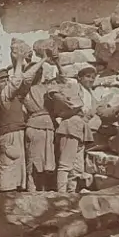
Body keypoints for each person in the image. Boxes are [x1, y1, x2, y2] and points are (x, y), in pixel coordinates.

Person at [53, 64, 98, 194]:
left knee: (77, 166)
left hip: (82, 130)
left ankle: (71, 193)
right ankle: (61, 193)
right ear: (79, 77)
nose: (91, 80)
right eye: (87, 77)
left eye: (93, 78)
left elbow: (99, 110)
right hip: (71, 126)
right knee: (66, 163)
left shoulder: (90, 94)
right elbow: (60, 86)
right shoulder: (74, 86)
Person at [21, 57, 59, 192]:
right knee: (44, 161)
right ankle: (41, 189)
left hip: (35, 125)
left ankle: (33, 188)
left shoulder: (25, 90)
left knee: (33, 160)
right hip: (47, 126)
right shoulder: (48, 88)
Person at [0, 60, 28, 193]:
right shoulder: (2, 95)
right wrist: (19, 60)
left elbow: (24, 80)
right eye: (2, 81)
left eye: (7, 79)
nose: (6, 82)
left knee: (16, 165)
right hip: (8, 133)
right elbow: (16, 81)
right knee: (8, 164)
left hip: (16, 131)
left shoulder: (11, 95)